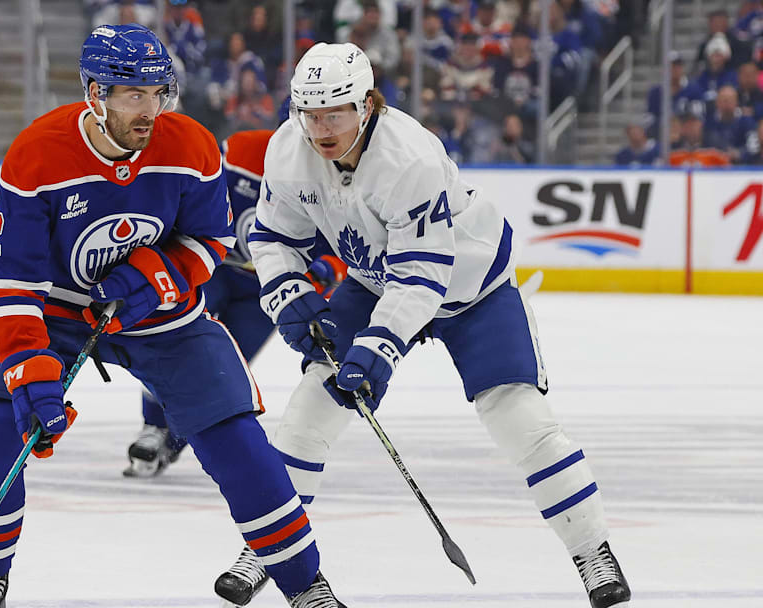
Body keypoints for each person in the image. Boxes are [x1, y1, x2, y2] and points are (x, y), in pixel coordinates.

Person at [213, 41, 631, 608]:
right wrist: (287, 293)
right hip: (372, 281)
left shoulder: (409, 156)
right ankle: (271, 549)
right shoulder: (289, 148)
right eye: (309, 112)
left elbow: (423, 274)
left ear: (366, 106)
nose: (320, 127)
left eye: (334, 112)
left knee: (520, 420)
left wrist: (378, 350)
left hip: (472, 290)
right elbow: (273, 238)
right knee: (311, 408)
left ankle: (593, 551)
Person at [0, 25, 346, 608]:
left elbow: (208, 241)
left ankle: (304, 584)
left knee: (235, 435)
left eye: (159, 93)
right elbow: (8, 284)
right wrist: (30, 364)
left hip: (161, 313)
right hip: (57, 314)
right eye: (133, 94)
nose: (150, 110)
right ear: (94, 93)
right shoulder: (37, 154)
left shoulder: (189, 145)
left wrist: (149, 279)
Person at [123, 128, 347, 478]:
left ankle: (176, 440)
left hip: (269, 289)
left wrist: (322, 271)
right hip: (213, 269)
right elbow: (195, 191)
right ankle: (153, 426)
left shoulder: (334, 170)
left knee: (220, 367)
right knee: (173, 342)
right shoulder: (242, 148)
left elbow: (344, 249)